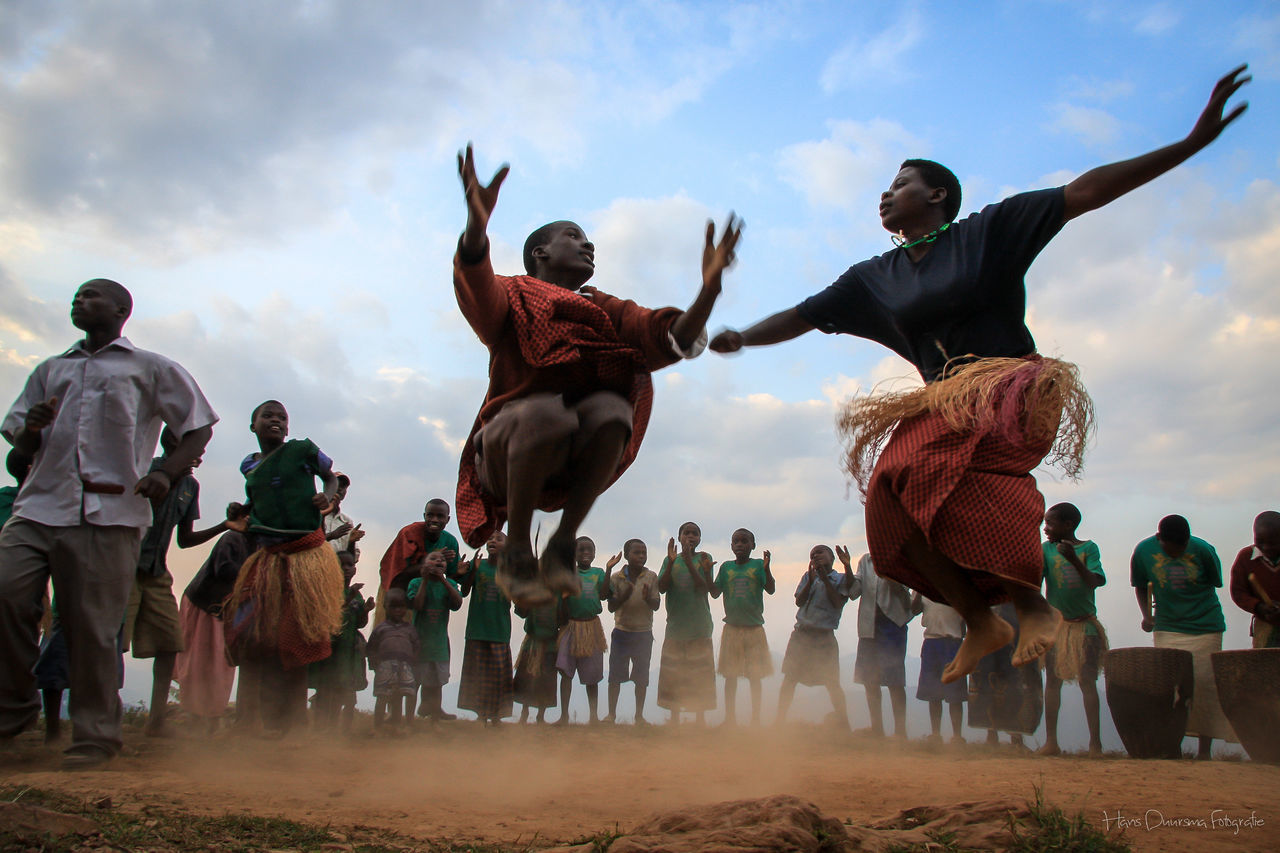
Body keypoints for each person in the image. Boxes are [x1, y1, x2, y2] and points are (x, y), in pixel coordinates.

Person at [710, 67, 1251, 683]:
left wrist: (1187, 145)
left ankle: (1028, 602)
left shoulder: (989, 231)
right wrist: (741, 338)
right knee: (889, 506)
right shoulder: (873, 278)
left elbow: (1086, 192)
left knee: (918, 468)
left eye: (900, 184)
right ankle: (981, 619)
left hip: (1010, 384)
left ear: (937, 195)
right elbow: (804, 315)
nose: (885, 195)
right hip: (942, 400)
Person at [453, 144, 741, 607]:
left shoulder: (601, 309)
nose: (588, 244)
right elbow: (475, 285)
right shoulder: (512, 294)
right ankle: (520, 548)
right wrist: (477, 226)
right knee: (544, 413)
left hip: (567, 457)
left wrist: (708, 290)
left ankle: (563, 541)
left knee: (612, 409)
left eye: (589, 239)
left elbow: (668, 338)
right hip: (506, 454)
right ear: (540, 253)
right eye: (574, 235)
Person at [0, 278, 216, 768]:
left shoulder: (150, 368)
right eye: (76, 295)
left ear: (122, 309)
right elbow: (21, 454)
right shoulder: (49, 370)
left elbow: (198, 425)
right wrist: (31, 431)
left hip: (110, 514)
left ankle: (95, 736)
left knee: (94, 628)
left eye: (91, 295)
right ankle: (12, 708)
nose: (79, 301)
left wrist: (164, 471)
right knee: (6, 594)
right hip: (38, 507)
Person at [222, 400, 344, 736]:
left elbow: (330, 478)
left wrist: (328, 498)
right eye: (268, 416)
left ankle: (291, 725)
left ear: (288, 427)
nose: (276, 421)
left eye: (282, 417)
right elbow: (256, 501)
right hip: (267, 557)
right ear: (253, 425)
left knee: (297, 637)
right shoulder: (250, 466)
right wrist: (240, 509)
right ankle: (249, 721)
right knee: (252, 635)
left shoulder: (303, 450)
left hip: (306, 558)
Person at [123, 427, 232, 738]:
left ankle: (155, 722)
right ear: (171, 442)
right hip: (126, 568)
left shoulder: (189, 486)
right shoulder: (143, 471)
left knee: (169, 644)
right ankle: (100, 716)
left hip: (157, 572)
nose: (200, 452)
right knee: (113, 641)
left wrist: (223, 526)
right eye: (192, 443)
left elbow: (184, 539)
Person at [1131, 514, 1234, 759]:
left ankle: (1204, 753)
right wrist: (1147, 616)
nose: (1178, 551)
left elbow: (1214, 582)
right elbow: (1140, 584)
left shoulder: (1203, 550)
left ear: (1188, 540)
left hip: (1205, 625)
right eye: (1172, 548)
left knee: (1205, 687)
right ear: (1159, 539)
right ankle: (1172, 747)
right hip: (1168, 626)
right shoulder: (1144, 551)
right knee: (1170, 688)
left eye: (1182, 546)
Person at [1039, 502, 1107, 756]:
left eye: (1051, 523)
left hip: (1084, 626)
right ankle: (1051, 742)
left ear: (1068, 525)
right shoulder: (1046, 550)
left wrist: (1074, 561)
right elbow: (1037, 581)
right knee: (1053, 681)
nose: (1046, 528)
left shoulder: (1089, 548)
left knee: (1087, 681)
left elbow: (1095, 581)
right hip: (1057, 627)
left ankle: (1095, 745)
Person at [174, 530, 249, 733]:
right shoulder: (233, 538)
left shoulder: (261, 544)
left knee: (220, 665)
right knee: (199, 661)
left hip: (225, 611)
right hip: (204, 604)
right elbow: (223, 569)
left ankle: (211, 716)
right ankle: (195, 717)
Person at [776, 545, 854, 729]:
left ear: (832, 557)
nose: (816, 556)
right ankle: (779, 721)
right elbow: (799, 601)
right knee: (790, 679)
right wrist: (811, 581)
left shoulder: (839, 578)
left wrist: (830, 576)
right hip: (802, 634)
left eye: (820, 552)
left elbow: (837, 602)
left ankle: (844, 725)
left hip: (824, 637)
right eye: (812, 555)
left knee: (832, 682)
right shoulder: (808, 576)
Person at [657, 522, 718, 724]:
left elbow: (704, 588)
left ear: (700, 539)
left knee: (700, 673)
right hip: (675, 627)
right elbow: (662, 587)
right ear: (680, 536)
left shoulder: (704, 558)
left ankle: (699, 718)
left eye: (695, 533)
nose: (690, 536)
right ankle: (674, 717)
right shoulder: (670, 559)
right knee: (674, 673)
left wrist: (689, 561)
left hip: (699, 626)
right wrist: (674, 561)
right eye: (686, 533)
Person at [848, 552, 915, 738]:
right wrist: (846, 566)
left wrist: (890, 575)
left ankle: (900, 732)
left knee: (895, 681)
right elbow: (854, 592)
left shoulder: (900, 560)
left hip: (893, 625)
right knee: (870, 681)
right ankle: (877, 729)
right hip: (869, 627)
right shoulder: (866, 561)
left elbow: (904, 594)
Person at [714, 529, 775, 726]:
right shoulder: (725, 567)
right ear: (731, 546)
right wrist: (707, 571)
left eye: (744, 541)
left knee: (754, 676)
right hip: (731, 628)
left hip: (754, 629)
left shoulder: (758, 565)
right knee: (730, 676)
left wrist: (767, 569)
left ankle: (755, 718)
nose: (740, 544)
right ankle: (729, 718)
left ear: (753, 545)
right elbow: (714, 592)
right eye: (736, 541)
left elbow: (771, 589)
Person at [310, 550, 374, 732]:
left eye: (350, 565)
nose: (346, 569)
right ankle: (320, 727)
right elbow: (328, 615)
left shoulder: (356, 594)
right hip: (329, 648)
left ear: (355, 569)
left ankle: (334, 729)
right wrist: (349, 598)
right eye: (341, 565)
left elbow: (360, 623)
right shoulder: (327, 590)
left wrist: (366, 610)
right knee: (325, 687)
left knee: (341, 687)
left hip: (347, 649)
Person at [458, 532, 514, 725]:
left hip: (500, 631)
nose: (492, 541)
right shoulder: (479, 566)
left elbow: (518, 600)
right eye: (489, 538)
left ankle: (497, 716)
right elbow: (464, 591)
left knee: (499, 676)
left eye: (499, 539)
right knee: (479, 675)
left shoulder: (510, 571)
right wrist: (472, 570)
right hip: (477, 630)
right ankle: (481, 715)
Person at [969, 602, 1042, 750]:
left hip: (1016, 624)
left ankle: (1016, 737)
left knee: (1016, 679)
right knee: (988, 677)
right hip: (990, 623)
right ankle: (992, 735)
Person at [605, 538, 660, 725]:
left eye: (644, 553)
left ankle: (639, 716)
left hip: (643, 633)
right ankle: (611, 715)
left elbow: (657, 605)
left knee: (641, 676)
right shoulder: (616, 577)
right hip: (621, 631)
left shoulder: (651, 576)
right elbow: (611, 607)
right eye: (637, 552)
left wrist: (646, 598)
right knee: (615, 676)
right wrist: (623, 596)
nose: (641, 556)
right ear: (627, 555)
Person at [378, 499, 460, 623]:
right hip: (400, 594)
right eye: (430, 515)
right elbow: (397, 574)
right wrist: (428, 563)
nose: (435, 520)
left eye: (440, 516)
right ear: (424, 516)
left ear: (447, 520)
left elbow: (452, 576)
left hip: (430, 599)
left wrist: (463, 571)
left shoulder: (450, 542)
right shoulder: (409, 533)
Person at [555, 537, 608, 725]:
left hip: (592, 627)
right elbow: (560, 605)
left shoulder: (599, 573)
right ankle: (564, 716)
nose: (586, 553)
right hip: (570, 627)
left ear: (594, 553)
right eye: (581, 550)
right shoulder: (567, 575)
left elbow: (604, 593)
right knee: (566, 673)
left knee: (592, 676)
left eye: (589, 550)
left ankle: (594, 717)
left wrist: (609, 571)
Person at [407, 551, 463, 721]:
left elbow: (457, 604)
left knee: (436, 684)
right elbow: (417, 604)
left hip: (439, 644)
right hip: (418, 644)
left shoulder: (450, 583)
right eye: (433, 558)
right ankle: (409, 718)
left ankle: (434, 717)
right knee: (414, 683)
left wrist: (443, 581)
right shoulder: (416, 583)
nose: (439, 560)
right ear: (424, 565)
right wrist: (425, 580)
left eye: (443, 560)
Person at [912, 593, 966, 745]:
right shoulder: (922, 582)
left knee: (955, 693)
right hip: (932, 640)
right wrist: (918, 591)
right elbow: (914, 610)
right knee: (933, 693)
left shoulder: (956, 583)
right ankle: (936, 734)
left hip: (953, 640)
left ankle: (957, 736)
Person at [366, 587, 419, 732]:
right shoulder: (381, 628)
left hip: (405, 666)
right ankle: (377, 727)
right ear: (385, 607)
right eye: (393, 606)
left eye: (401, 606)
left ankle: (396, 726)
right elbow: (371, 648)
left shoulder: (409, 629)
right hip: (384, 667)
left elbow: (416, 646)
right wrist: (374, 665)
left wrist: (413, 663)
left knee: (400, 696)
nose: (397, 610)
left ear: (406, 608)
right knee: (382, 697)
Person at [1228, 511, 1280, 648]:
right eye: (1260, 541)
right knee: (1265, 666)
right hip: (1264, 624)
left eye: (1273, 543)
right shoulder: (1246, 557)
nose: (1266, 547)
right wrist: (1259, 607)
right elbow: (1238, 592)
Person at [514, 598, 561, 724]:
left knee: (547, 679)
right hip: (532, 641)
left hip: (550, 642)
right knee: (527, 678)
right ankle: (525, 712)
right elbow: (521, 612)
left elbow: (563, 617)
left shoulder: (559, 592)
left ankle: (541, 715)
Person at [322, 473, 365, 556]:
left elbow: (353, 559)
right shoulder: (314, 515)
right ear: (326, 488)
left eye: (344, 487)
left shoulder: (346, 521)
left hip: (336, 568)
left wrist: (351, 542)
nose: (340, 489)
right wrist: (331, 536)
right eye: (337, 484)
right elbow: (307, 544)